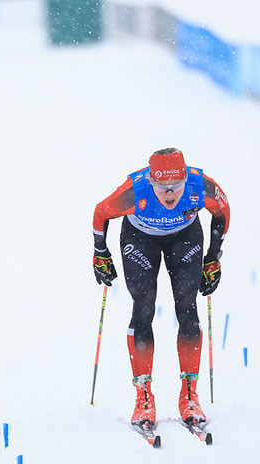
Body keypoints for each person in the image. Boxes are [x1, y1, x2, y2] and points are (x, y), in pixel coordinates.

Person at [91, 148, 230, 430]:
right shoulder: (134, 191)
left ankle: (189, 395)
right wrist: (100, 253)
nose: (170, 195)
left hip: (185, 236)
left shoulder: (200, 186)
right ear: (150, 182)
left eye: (176, 187)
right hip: (140, 237)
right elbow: (100, 213)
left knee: (187, 308)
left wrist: (213, 258)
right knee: (143, 306)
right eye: (162, 188)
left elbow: (223, 211)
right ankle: (143, 397)